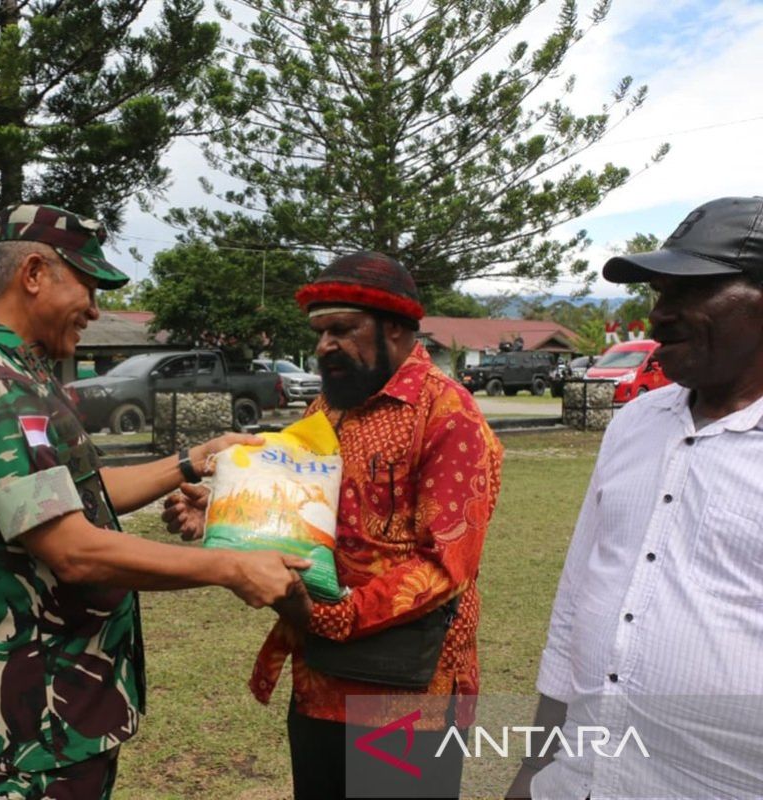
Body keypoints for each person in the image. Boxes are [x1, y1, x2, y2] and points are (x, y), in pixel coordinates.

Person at [0, 203, 309, 799]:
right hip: (39, 706)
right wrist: (232, 567)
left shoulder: (25, 377)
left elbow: (76, 497)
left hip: (68, 690)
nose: (94, 309)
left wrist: (194, 458)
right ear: (34, 274)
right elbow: (73, 550)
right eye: (86, 286)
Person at [166, 252, 504, 799]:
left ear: (395, 328)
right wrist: (225, 509)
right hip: (321, 679)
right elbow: (298, 506)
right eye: (320, 332)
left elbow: (446, 566)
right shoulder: (326, 409)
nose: (325, 346)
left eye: (342, 330)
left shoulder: (449, 416)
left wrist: (328, 616)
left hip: (409, 692)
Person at [506, 197, 763, 800]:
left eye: (688, 291)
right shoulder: (635, 423)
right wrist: (536, 767)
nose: (658, 316)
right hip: (582, 781)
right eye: (658, 293)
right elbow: (576, 601)